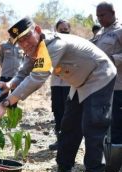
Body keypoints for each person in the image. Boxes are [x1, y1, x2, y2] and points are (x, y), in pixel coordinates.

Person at [0, 17, 117, 172]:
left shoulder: (53, 45)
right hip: (80, 82)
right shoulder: (35, 48)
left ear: (38, 31)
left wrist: (5, 104)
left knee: (93, 127)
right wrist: (9, 84)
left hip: (100, 75)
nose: (24, 44)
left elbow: (37, 77)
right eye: (19, 41)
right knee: (68, 127)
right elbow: (23, 72)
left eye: (27, 37)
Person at [93, 2, 122, 145]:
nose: (99, 19)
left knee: (117, 125)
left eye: (102, 15)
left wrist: (112, 59)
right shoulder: (100, 33)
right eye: (98, 16)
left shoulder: (120, 31)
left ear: (113, 13)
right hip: (101, 86)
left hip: (118, 87)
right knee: (105, 124)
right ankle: (109, 159)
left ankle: (117, 161)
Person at [48, 20, 71, 151]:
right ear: (56, 30)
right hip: (56, 84)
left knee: (69, 113)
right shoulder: (53, 44)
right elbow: (49, 64)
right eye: (61, 28)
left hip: (70, 84)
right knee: (57, 111)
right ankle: (59, 141)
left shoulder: (74, 44)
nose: (64, 30)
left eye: (66, 28)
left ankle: (68, 142)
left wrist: (62, 71)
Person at [0, 38, 24, 107]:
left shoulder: (22, 44)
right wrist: (5, 67)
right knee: (1, 97)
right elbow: (0, 58)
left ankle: (11, 116)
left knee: (14, 99)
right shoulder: (3, 45)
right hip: (5, 76)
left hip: (17, 77)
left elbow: (24, 60)